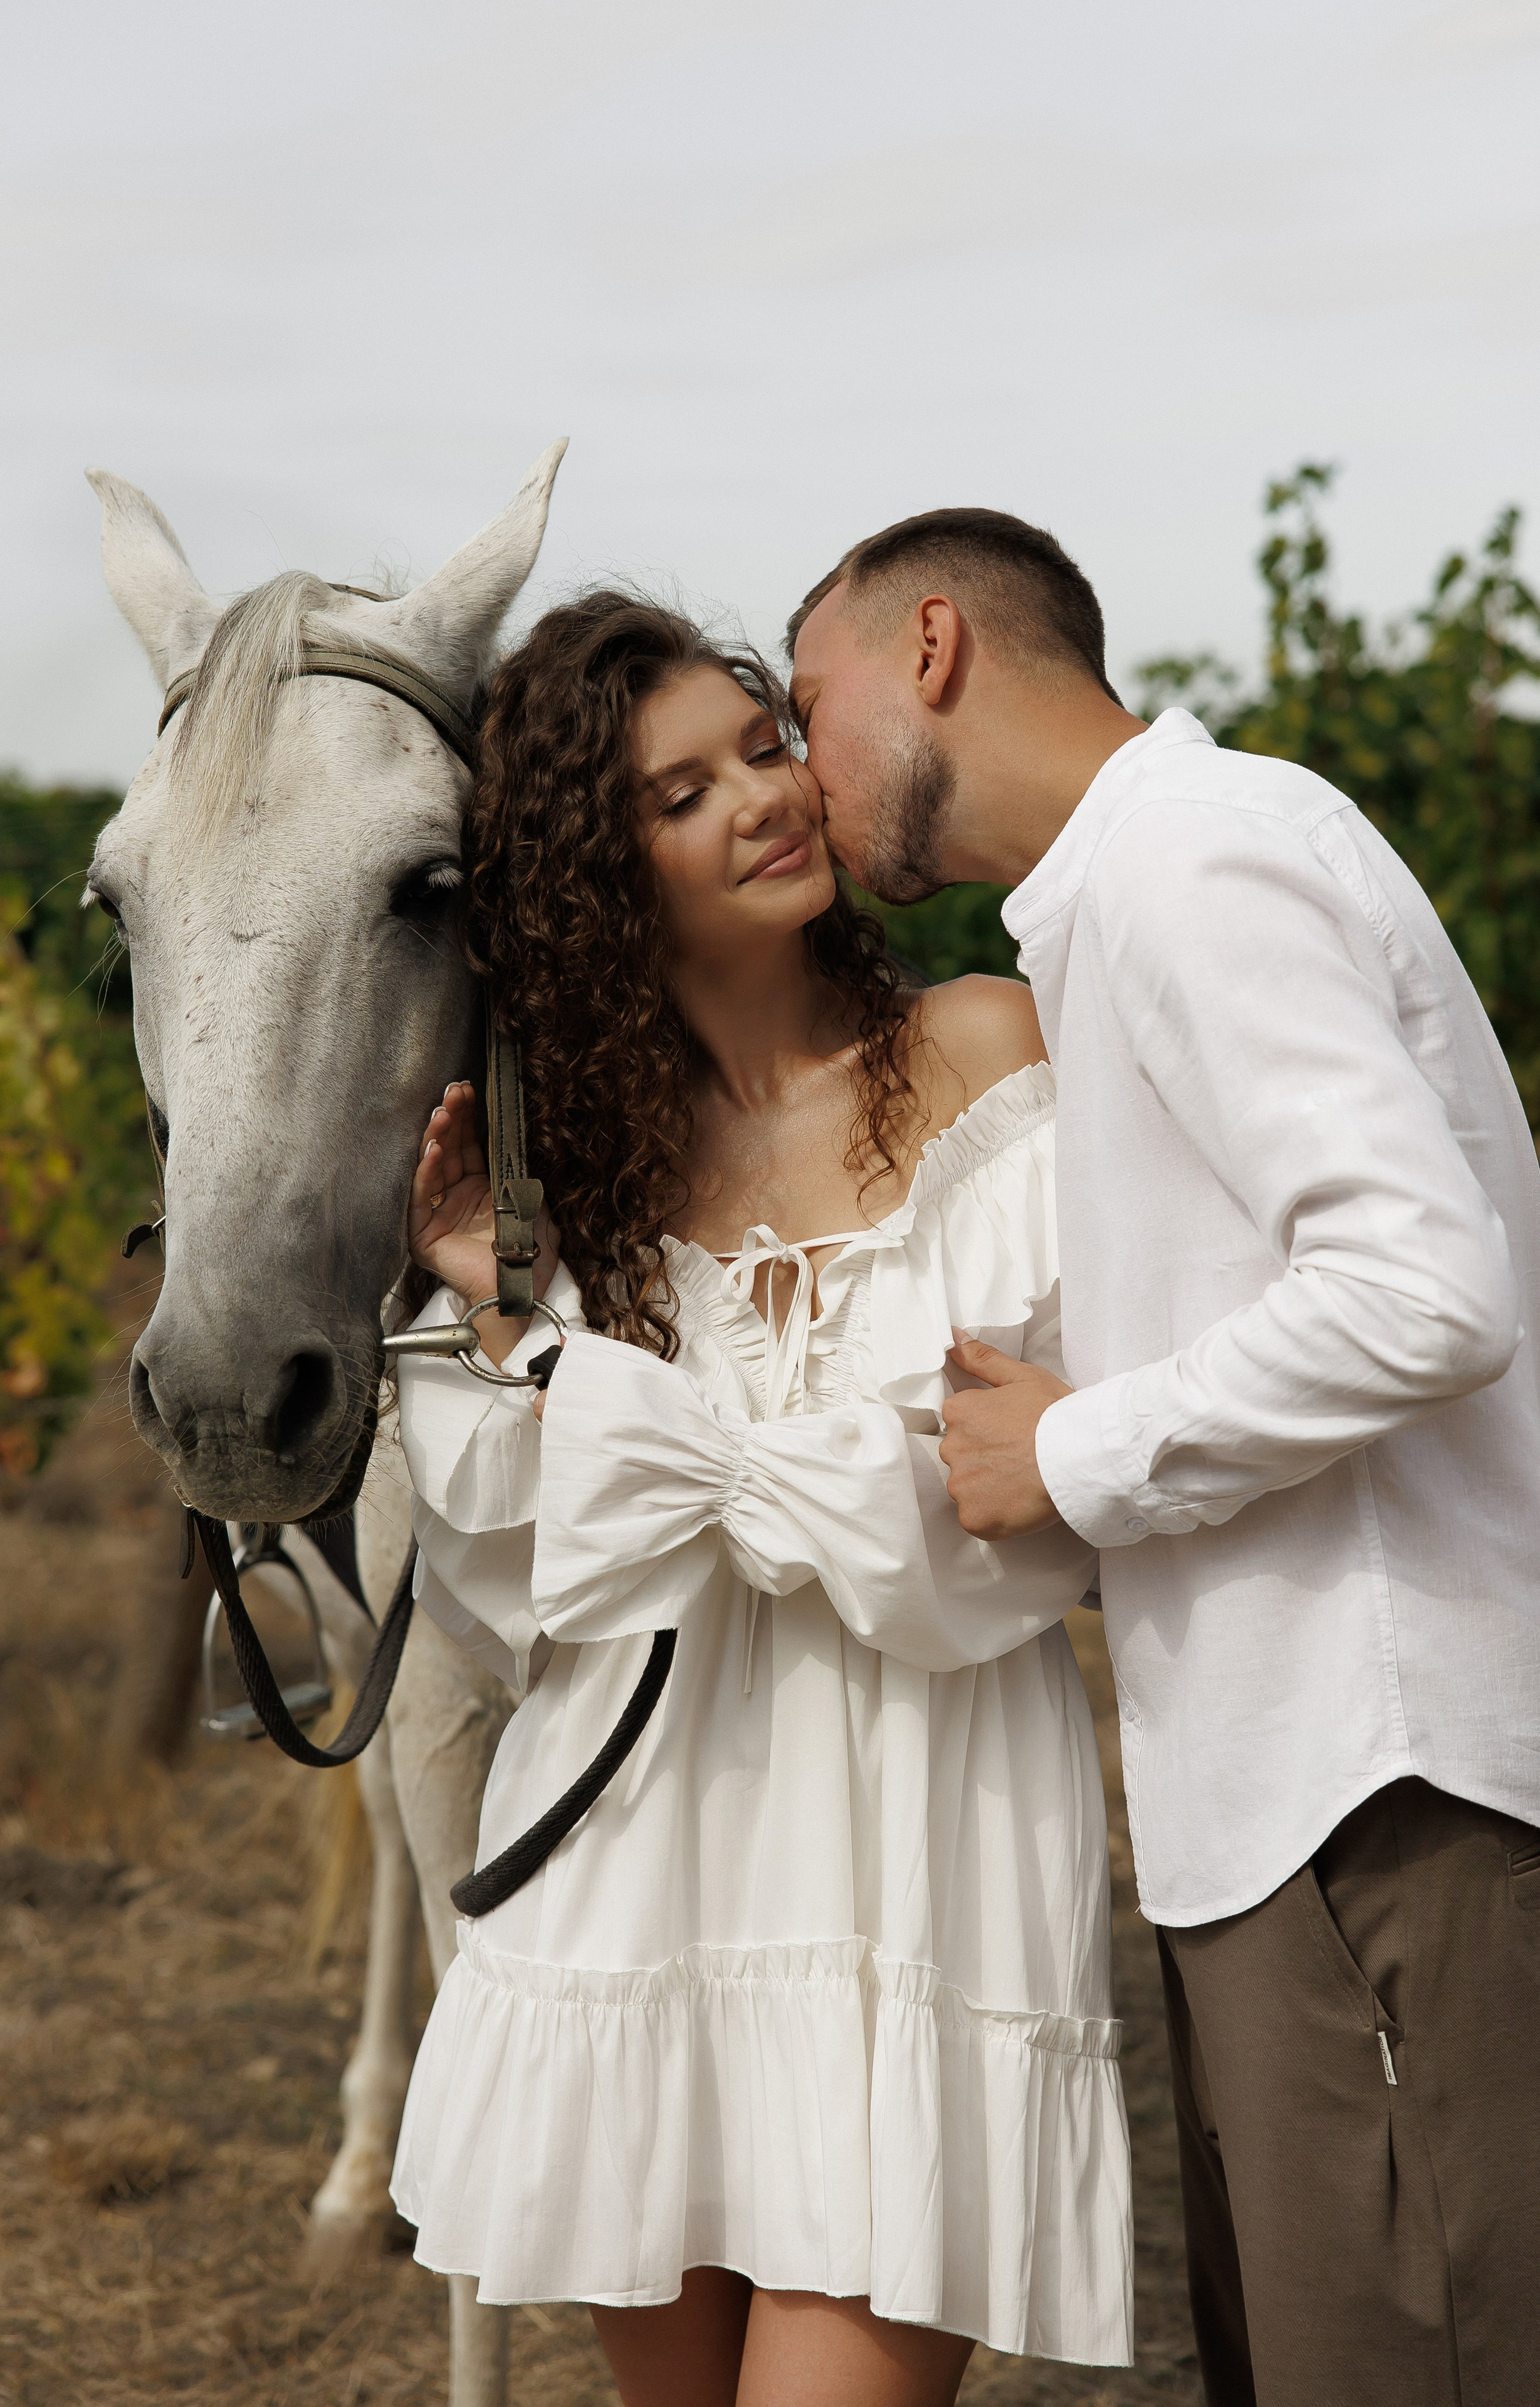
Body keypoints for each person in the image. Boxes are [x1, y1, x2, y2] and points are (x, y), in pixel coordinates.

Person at [785, 508, 1540, 2407]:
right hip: (1304, 1813)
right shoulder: (1121, 897)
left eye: (807, 707)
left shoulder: (1192, 863)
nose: (801, 781)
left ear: (929, 653)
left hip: (1380, 1796)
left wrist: (1076, 1451)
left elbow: (1422, 1288)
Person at [387, 593, 1134, 2406]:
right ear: (597, 871)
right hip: (641, 1853)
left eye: (764, 741)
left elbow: (1006, 1513)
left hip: (918, 1845)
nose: (764, 796)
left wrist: (622, 1410)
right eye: (679, 793)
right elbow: (517, 1592)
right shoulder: (567, 1166)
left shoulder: (991, 1048)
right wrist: (509, 1322)